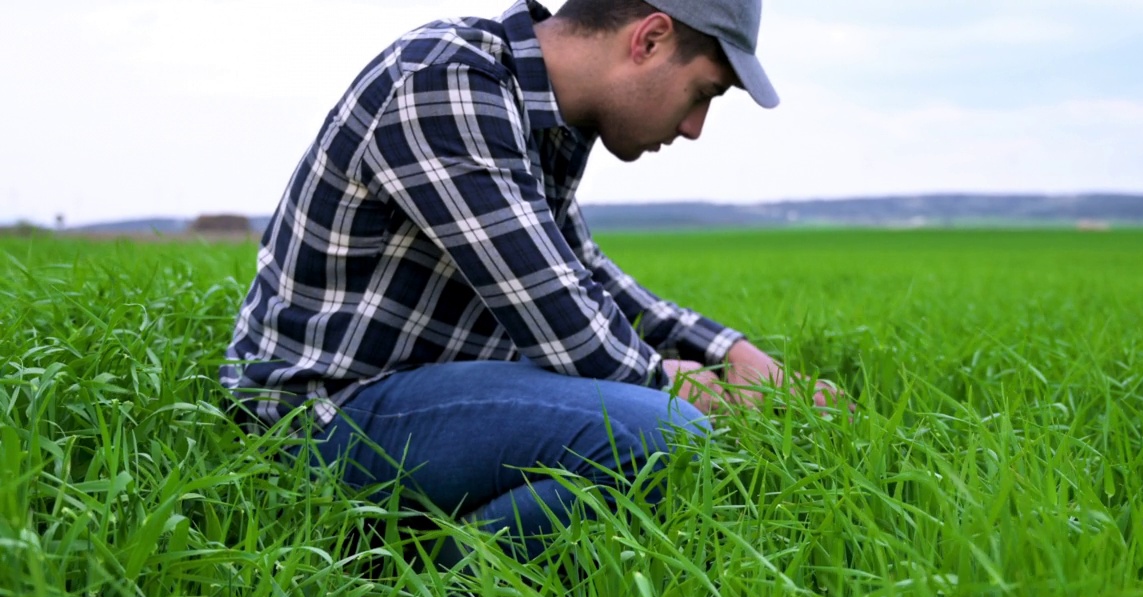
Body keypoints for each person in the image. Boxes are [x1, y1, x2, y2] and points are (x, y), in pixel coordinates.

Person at [222, 0, 843, 562]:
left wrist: (731, 352)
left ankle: (430, 545)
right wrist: (724, 396)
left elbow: (583, 271)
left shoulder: (533, 112)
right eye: (703, 93)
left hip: (415, 398)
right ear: (649, 39)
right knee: (668, 436)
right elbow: (565, 322)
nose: (694, 127)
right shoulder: (445, 80)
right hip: (322, 418)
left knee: (650, 430)